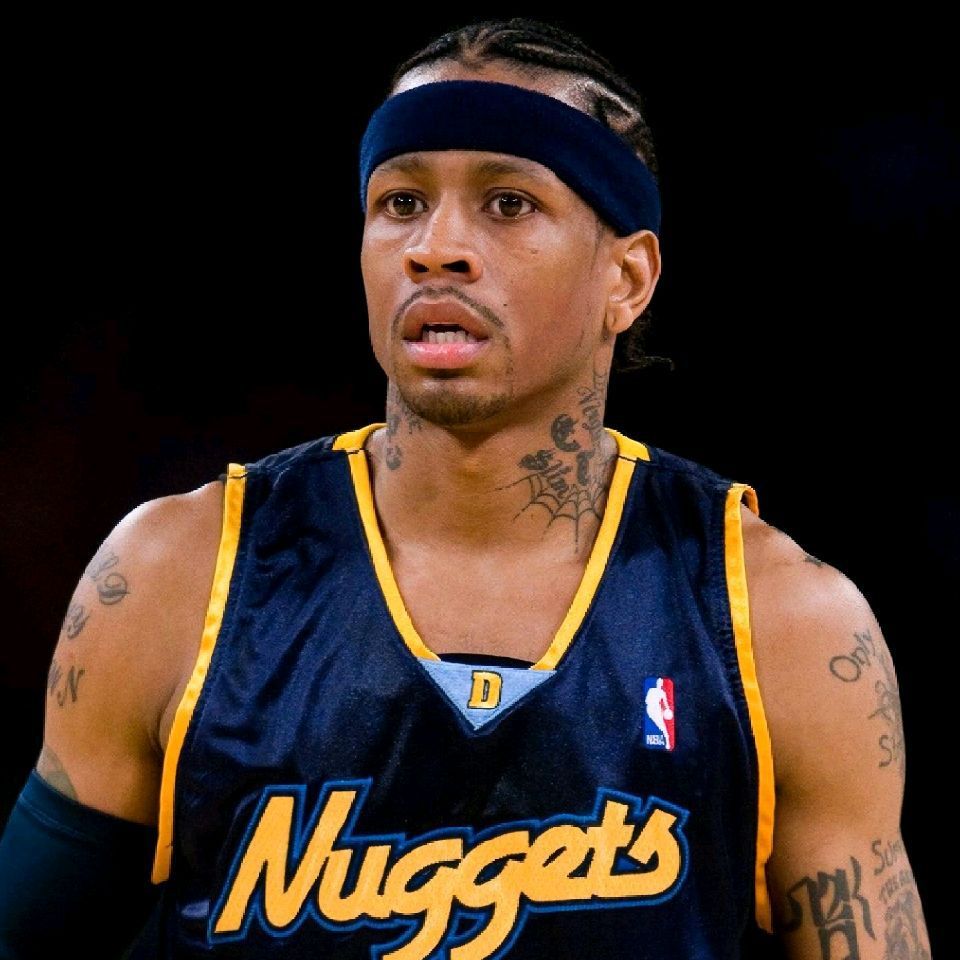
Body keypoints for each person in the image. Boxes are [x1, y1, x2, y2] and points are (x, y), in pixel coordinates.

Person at [0, 17, 932, 960]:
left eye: (508, 203)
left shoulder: (781, 622)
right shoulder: (177, 574)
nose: (435, 247)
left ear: (628, 277)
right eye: (401, 202)